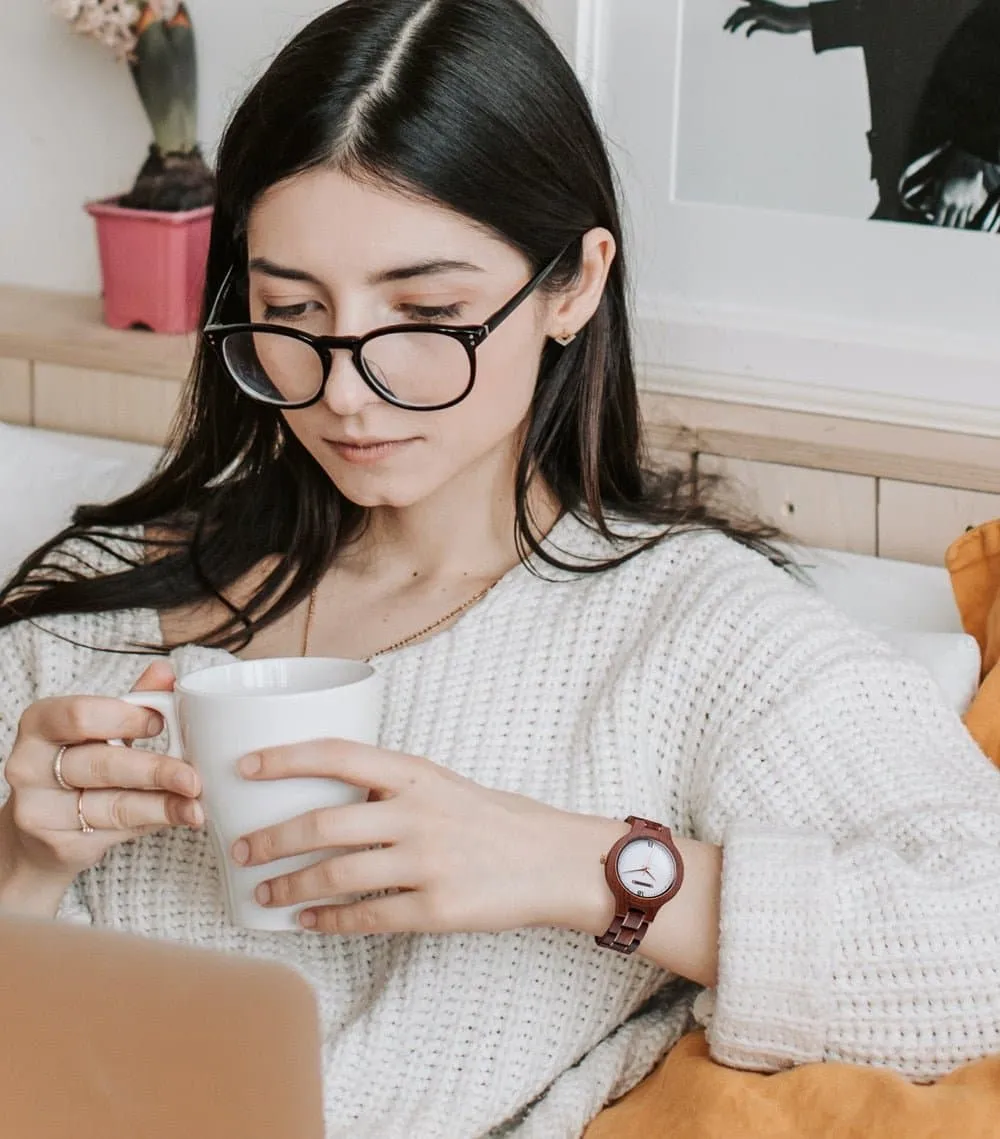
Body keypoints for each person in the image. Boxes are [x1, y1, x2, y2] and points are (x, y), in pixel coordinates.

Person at [2, 1, 1000, 1135]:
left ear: (572, 285)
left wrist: (586, 868)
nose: (343, 388)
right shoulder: (95, 611)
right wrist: (20, 860)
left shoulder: (690, 634)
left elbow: (980, 938)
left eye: (426, 311)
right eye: (290, 310)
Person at [724, 0, 993, 225]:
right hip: (913, 179)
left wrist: (972, 161)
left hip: (959, 184)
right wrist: (804, 19)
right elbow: (905, 12)